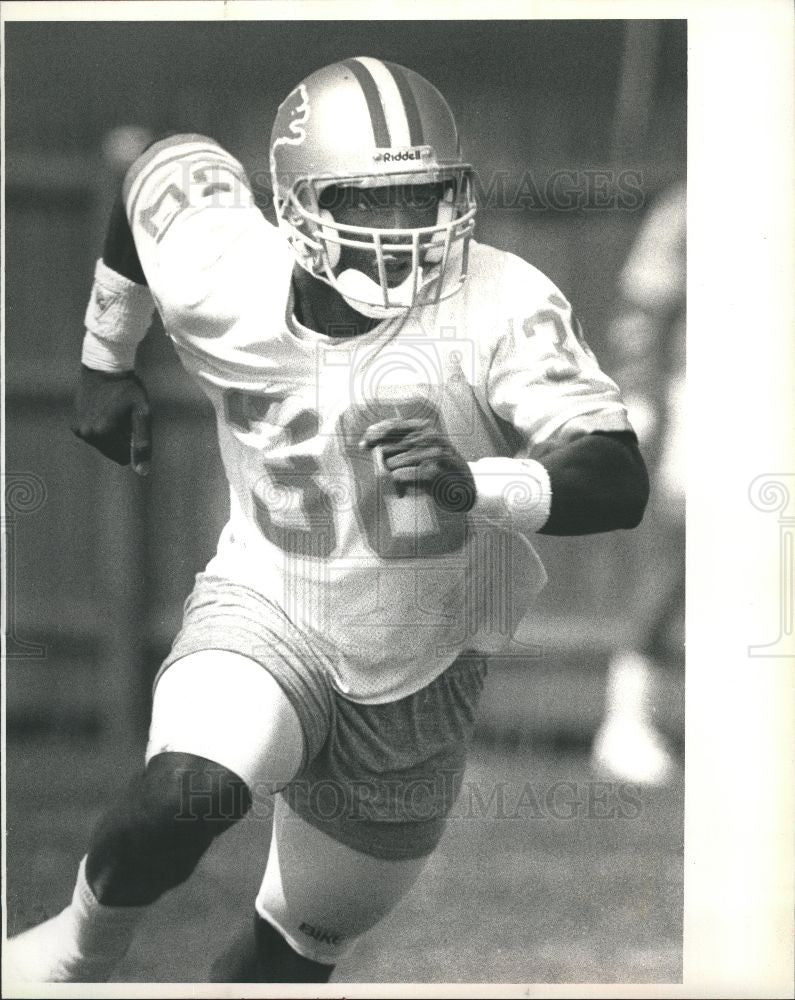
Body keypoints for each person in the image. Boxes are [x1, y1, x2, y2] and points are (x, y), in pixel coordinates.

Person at [6, 57, 648, 984]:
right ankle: (77, 949)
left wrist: (480, 484)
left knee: (299, 944)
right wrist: (103, 358)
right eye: (370, 200)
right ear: (296, 203)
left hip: (424, 658)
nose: (406, 229)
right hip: (268, 601)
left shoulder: (501, 298)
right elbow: (153, 166)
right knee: (191, 786)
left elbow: (614, 473)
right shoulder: (227, 269)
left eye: (423, 197)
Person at [590, 182, 686, 786]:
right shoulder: (688, 208)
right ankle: (625, 723)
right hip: (703, 395)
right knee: (676, 562)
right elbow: (643, 314)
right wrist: (642, 398)